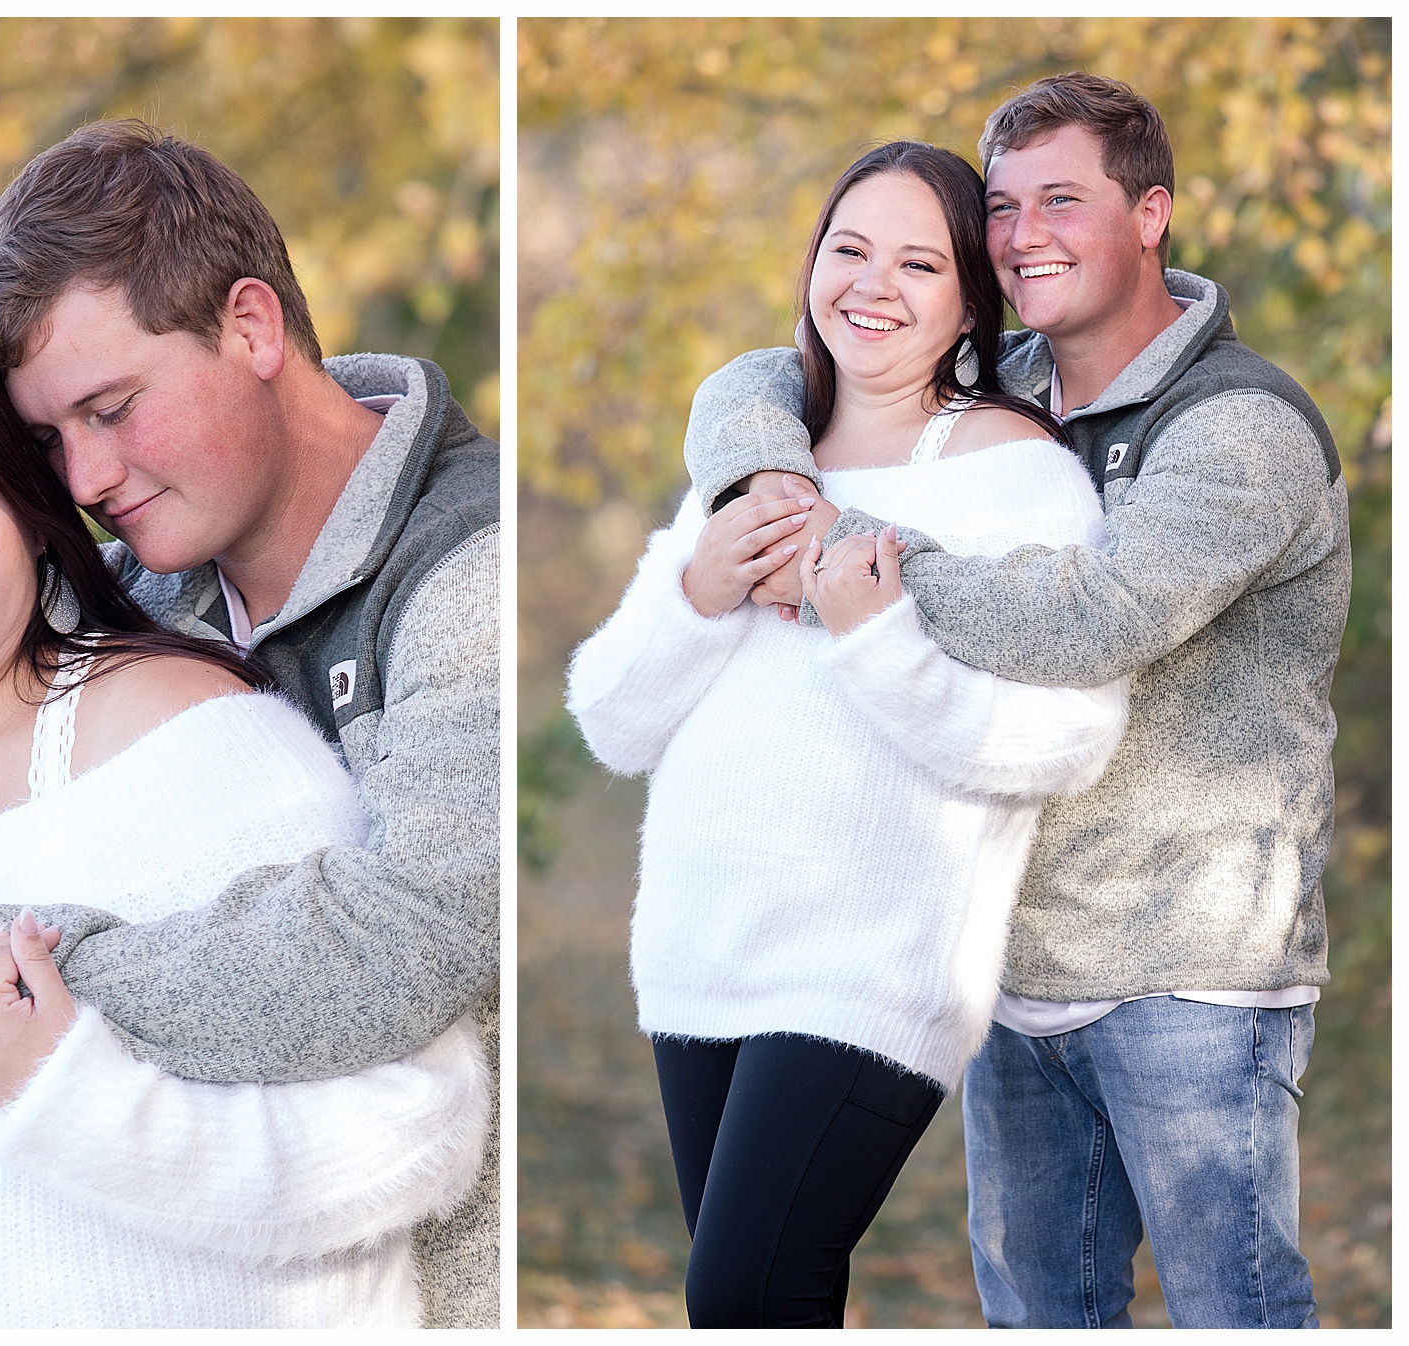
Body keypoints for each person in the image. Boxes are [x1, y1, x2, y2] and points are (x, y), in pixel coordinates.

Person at [0, 121, 500, 1325]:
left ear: (253, 327)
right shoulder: (149, 566)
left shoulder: (468, 575)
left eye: (111, 407)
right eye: (46, 442)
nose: (82, 475)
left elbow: (412, 938)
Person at [680, 74, 1346, 1329]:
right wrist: (761, 490)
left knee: (1234, 1313)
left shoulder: (1240, 426)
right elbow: (758, 377)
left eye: (1063, 200)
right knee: (1039, 1318)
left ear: (1152, 214)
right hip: (1012, 960)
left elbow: (1094, 618)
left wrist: (842, 544)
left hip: (1190, 971)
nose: (1023, 233)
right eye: (1001, 205)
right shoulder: (1008, 392)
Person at [567, 141, 1129, 1329]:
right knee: (754, 1305)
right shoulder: (752, 468)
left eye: (919, 262)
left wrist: (878, 641)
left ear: (972, 299)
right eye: (849, 249)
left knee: (748, 1291)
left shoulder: (1018, 479)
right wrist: (699, 590)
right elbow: (612, 718)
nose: (872, 285)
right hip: (699, 953)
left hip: (870, 966)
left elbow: (1070, 736)